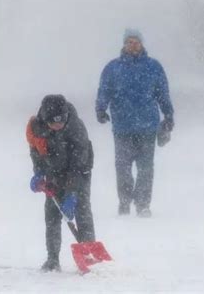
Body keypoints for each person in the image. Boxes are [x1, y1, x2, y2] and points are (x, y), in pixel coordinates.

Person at [95, 29, 175, 218]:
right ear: (124, 44)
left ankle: (143, 204)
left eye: (136, 41)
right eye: (129, 42)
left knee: (146, 168)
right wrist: (100, 109)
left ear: (142, 44)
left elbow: (163, 93)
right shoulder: (112, 68)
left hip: (148, 126)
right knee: (122, 168)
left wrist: (168, 115)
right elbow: (104, 90)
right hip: (122, 126)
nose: (133, 45)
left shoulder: (153, 67)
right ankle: (124, 202)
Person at [26, 95, 95, 272]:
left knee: (82, 210)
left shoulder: (76, 128)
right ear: (45, 119)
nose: (58, 126)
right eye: (54, 123)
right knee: (52, 215)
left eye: (61, 121)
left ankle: (88, 254)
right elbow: (36, 152)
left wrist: (72, 193)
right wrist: (39, 174)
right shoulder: (36, 128)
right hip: (53, 173)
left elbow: (78, 165)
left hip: (79, 172)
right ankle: (52, 258)